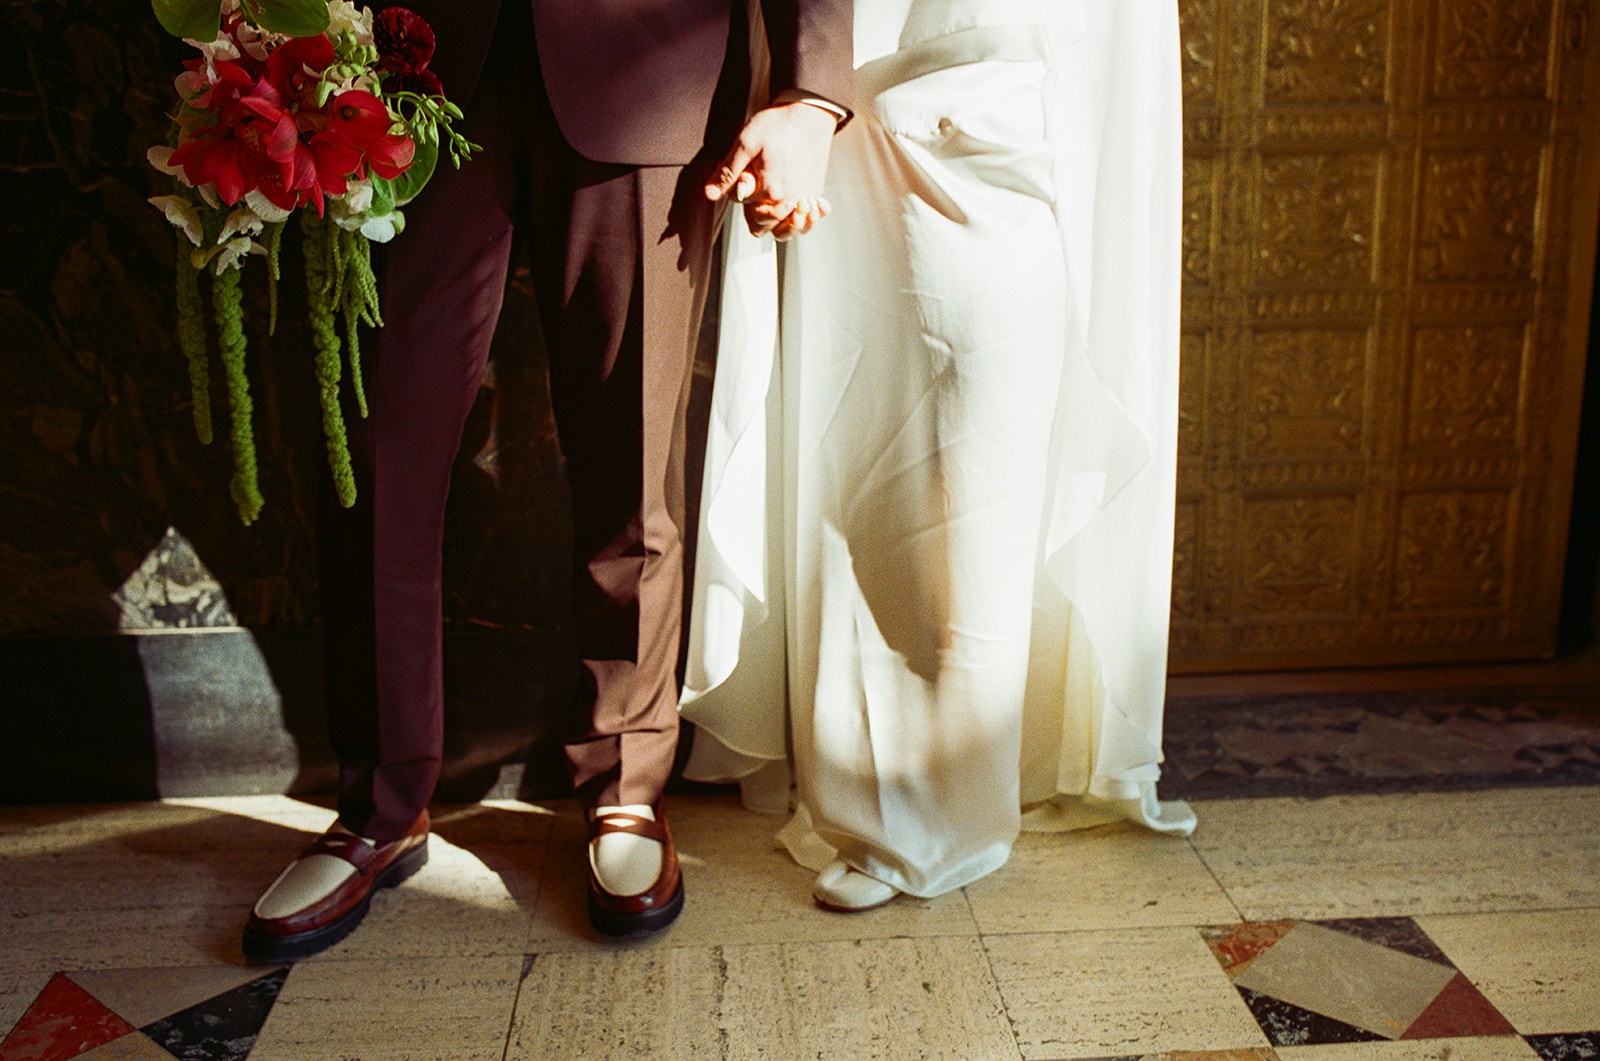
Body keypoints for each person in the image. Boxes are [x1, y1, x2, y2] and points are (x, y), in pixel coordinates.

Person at [241, 0, 853, 959]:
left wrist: (811, 93)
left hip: (651, 63)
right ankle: (378, 804)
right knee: (378, 462)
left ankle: (627, 787)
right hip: (399, 66)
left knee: (634, 462)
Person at [680, 0, 1195, 910]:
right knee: (853, 472)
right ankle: (861, 779)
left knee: (970, 470)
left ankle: (948, 802)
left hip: (995, 94)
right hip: (843, 99)